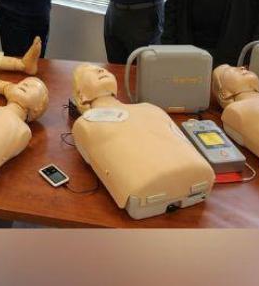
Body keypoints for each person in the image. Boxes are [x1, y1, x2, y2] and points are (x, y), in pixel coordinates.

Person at [70, 63, 214, 219]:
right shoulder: (84, 125)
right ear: (80, 96)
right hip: (156, 190)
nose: (100, 69)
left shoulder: (150, 108)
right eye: (89, 72)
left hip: (186, 182)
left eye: (102, 69)